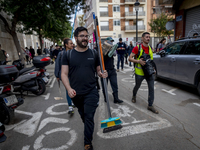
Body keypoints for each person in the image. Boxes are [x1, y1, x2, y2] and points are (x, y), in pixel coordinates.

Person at [61, 27, 107, 150]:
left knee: (89, 115)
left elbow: (98, 69)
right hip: (76, 93)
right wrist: (69, 88)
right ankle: (87, 126)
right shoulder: (68, 54)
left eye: (86, 36)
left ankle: (87, 143)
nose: (85, 38)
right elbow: (63, 74)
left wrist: (102, 73)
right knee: (84, 116)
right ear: (76, 38)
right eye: (82, 36)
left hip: (91, 90)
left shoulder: (94, 53)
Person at [128, 32, 158, 114]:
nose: (148, 38)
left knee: (151, 88)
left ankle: (150, 105)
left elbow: (151, 61)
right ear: (142, 38)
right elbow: (130, 58)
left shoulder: (150, 48)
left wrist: (153, 69)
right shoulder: (137, 48)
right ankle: (134, 95)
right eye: (146, 37)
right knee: (137, 86)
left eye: (149, 37)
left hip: (149, 73)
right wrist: (138, 61)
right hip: (139, 73)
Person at [55, 38, 74, 114]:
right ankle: (70, 106)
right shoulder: (61, 54)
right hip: (65, 76)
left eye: (72, 43)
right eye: (70, 43)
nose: (72, 45)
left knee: (74, 89)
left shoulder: (74, 52)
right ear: (66, 45)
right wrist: (57, 75)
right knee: (68, 90)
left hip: (73, 75)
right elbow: (57, 65)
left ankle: (73, 102)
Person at [101, 37, 123, 104]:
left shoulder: (112, 49)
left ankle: (116, 98)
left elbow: (114, 54)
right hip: (104, 70)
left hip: (112, 69)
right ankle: (105, 98)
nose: (111, 42)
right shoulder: (102, 49)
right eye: (110, 41)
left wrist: (111, 48)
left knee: (114, 84)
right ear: (106, 41)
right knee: (104, 85)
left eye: (112, 41)